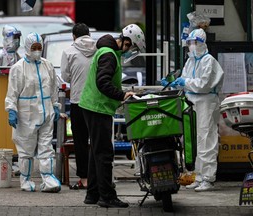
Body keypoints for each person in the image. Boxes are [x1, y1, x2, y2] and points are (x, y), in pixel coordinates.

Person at [79, 24, 146, 208]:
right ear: (125, 41)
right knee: (104, 154)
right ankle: (107, 197)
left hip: (92, 106)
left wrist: (121, 93)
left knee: (96, 152)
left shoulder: (108, 51)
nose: (129, 51)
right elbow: (103, 82)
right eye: (131, 47)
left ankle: (92, 194)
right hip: (98, 107)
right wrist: (122, 95)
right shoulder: (109, 54)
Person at [161, 28, 224, 192]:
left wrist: (184, 82)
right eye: (189, 43)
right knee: (195, 140)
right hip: (192, 102)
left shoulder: (208, 61)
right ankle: (198, 176)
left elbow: (203, 85)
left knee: (206, 139)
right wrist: (174, 82)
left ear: (202, 43)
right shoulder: (190, 61)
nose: (191, 46)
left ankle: (208, 178)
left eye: (194, 42)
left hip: (206, 102)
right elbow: (186, 80)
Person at [5, 32, 61, 192]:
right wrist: (11, 110)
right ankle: (25, 180)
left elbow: (53, 87)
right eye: (34, 47)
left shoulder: (47, 65)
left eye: (39, 47)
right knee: (26, 150)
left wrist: (55, 105)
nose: (37, 50)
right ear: (28, 48)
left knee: (46, 147)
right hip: (26, 115)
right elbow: (12, 92)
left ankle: (48, 179)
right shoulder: (18, 68)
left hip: (46, 114)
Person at [61, 23, 96, 190]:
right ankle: (98, 177)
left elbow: (65, 76)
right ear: (88, 34)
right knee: (96, 140)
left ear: (73, 36)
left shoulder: (68, 51)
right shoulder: (99, 48)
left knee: (80, 142)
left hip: (77, 101)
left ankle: (84, 179)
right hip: (96, 102)